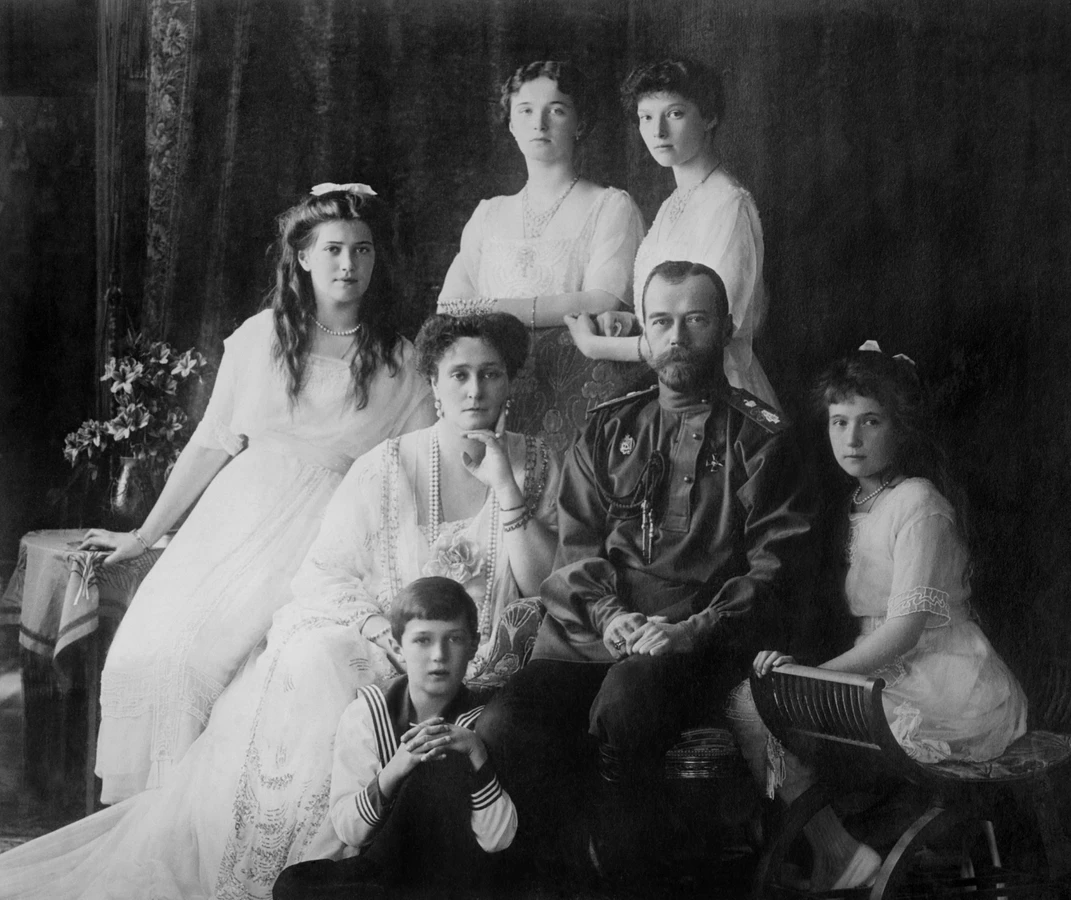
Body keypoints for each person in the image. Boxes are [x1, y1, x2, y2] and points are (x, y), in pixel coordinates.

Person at [0, 312, 558, 900]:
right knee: (317, 661)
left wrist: (506, 487)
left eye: (491, 374)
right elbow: (324, 573)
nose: (475, 391)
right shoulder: (386, 465)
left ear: (509, 384)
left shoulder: (538, 463)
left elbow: (545, 582)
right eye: (459, 375)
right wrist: (379, 630)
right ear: (435, 385)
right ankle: (319, 867)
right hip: (387, 645)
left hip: (488, 655)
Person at [79, 183, 434, 803]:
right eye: (333, 249)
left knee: (233, 673)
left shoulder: (401, 363)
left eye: (362, 250)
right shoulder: (262, 336)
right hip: (235, 516)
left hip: (324, 532)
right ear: (303, 256)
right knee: (153, 654)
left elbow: (418, 474)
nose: (348, 265)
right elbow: (210, 443)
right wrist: (144, 534)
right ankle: (156, 812)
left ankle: (210, 818)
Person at [476, 260, 815, 880]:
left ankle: (621, 870)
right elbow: (575, 550)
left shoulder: (762, 440)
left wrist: (689, 630)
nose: (677, 337)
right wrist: (610, 618)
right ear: (645, 331)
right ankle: (559, 876)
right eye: (661, 321)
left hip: (695, 644)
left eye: (696, 320)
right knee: (505, 725)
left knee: (626, 702)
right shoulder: (609, 427)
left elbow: (776, 571)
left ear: (726, 327)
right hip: (589, 635)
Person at [727, 342, 1029, 892]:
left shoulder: (918, 502)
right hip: (883, 671)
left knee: (759, 703)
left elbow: (904, 631)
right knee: (753, 702)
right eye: (839, 422)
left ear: (901, 427)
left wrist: (813, 676)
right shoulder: (852, 505)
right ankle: (838, 851)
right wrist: (791, 663)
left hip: (944, 680)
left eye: (871, 421)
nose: (852, 439)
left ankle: (843, 855)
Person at [438, 59, 646, 451]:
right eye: (526, 111)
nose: (539, 123)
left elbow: (603, 300)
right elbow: (450, 306)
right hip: (491, 395)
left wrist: (494, 308)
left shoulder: (610, 206)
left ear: (580, 123)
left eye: (557, 110)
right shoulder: (488, 214)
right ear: (511, 125)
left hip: (574, 396)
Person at [272, 577, 517, 899]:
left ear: (473, 645)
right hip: (385, 872)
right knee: (293, 883)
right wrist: (397, 767)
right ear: (398, 648)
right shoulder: (368, 713)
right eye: (423, 640)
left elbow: (498, 840)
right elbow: (350, 832)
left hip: (456, 876)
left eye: (454, 639)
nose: (439, 655)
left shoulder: (485, 720)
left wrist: (476, 752)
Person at [564, 57, 779, 407]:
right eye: (646, 117)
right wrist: (631, 320)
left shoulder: (728, 204)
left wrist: (595, 345)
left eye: (675, 114)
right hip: (669, 385)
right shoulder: (673, 204)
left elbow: (701, 337)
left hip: (713, 392)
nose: (658, 132)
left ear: (709, 117)